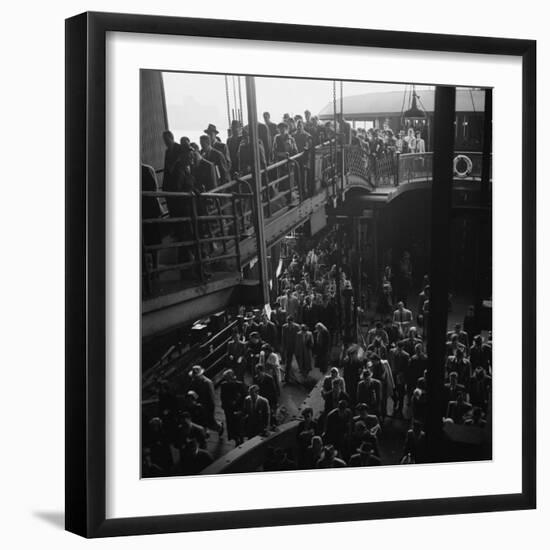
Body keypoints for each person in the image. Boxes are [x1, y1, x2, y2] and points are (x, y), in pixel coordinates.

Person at [188, 365, 224, 436]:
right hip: (199, 404)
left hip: (207, 404)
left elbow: (211, 396)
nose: (195, 378)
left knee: (210, 421)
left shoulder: (207, 383)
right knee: (202, 420)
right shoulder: (194, 381)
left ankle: (219, 427)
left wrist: (210, 406)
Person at [219, 369, 247, 446]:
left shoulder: (239, 385)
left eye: (228, 378)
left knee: (239, 425)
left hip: (238, 409)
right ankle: (236, 439)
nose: (227, 380)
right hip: (229, 409)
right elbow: (222, 397)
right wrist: (225, 405)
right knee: (231, 426)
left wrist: (241, 407)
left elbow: (245, 396)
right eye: (226, 378)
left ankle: (240, 438)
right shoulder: (224, 385)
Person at [281, 315, 300, 384]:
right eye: (288, 322)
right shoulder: (284, 327)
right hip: (288, 347)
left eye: (290, 323)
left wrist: (298, 348)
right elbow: (283, 338)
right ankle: (286, 377)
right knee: (288, 362)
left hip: (295, 347)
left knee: (299, 360)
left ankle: (302, 374)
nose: (289, 324)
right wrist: (283, 347)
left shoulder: (297, 327)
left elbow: (299, 338)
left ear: (293, 322)